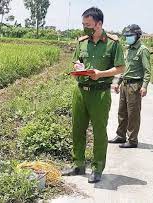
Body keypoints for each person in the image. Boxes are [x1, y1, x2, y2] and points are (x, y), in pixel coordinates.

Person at [62, 7, 125, 183]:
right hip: (80, 91)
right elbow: (77, 60)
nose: (85, 28)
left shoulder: (113, 43)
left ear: (99, 24)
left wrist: (100, 73)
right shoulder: (82, 41)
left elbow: (121, 67)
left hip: (100, 93)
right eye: (83, 24)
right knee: (77, 129)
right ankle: (78, 165)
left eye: (88, 25)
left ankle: (97, 168)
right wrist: (77, 66)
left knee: (99, 131)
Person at [109, 24, 151, 148]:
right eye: (126, 36)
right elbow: (125, 68)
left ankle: (132, 140)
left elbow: (147, 70)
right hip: (125, 84)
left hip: (135, 86)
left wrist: (144, 86)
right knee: (122, 112)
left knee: (133, 114)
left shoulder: (142, 50)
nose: (128, 38)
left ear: (137, 35)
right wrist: (118, 82)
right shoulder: (128, 48)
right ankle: (121, 136)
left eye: (130, 35)